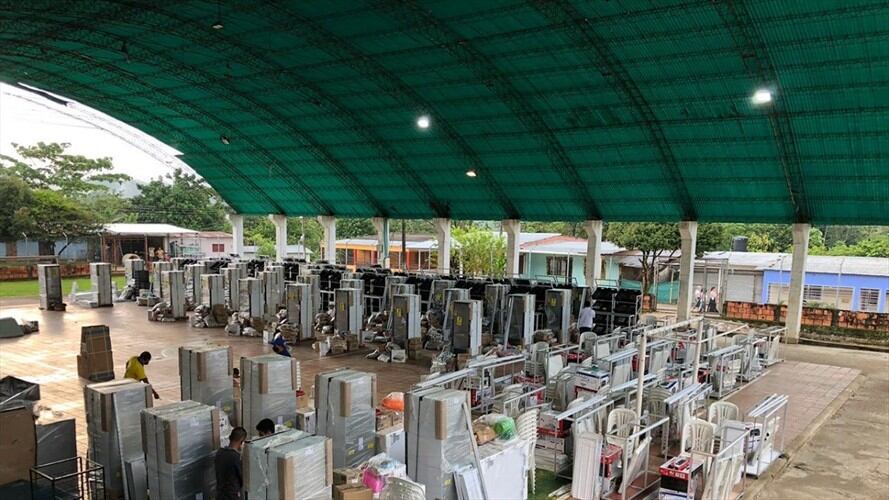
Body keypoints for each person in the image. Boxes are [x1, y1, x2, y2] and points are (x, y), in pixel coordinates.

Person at [215, 427, 246, 500]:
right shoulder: (236, 457)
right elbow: (242, 478)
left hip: (220, 494)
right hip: (232, 495)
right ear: (242, 441)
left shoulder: (219, 453)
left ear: (230, 438)